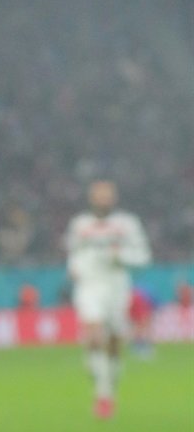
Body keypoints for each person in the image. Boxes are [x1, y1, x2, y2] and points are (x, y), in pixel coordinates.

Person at [65, 179, 151, 418]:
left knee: (113, 341)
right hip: (89, 285)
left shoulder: (127, 224)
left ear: (114, 198)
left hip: (116, 285)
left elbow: (143, 256)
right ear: (92, 198)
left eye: (107, 195)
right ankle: (103, 396)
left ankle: (107, 383)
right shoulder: (80, 224)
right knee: (93, 332)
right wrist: (72, 267)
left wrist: (120, 256)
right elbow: (73, 252)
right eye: (98, 195)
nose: (103, 199)